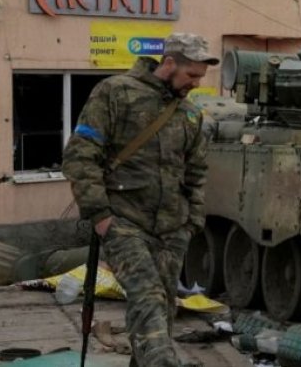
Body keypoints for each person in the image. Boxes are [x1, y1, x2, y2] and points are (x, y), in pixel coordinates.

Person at [62, 33, 218, 367]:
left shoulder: (190, 114)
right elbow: (80, 157)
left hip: (172, 229)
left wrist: (192, 222)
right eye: (191, 75)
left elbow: (197, 172)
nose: (196, 84)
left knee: (163, 307)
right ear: (170, 63)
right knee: (147, 295)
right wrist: (100, 216)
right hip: (123, 222)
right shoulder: (115, 93)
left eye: (200, 78)